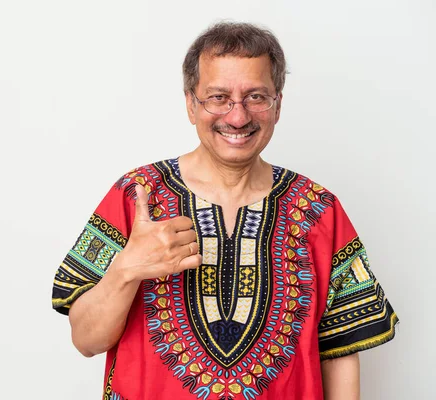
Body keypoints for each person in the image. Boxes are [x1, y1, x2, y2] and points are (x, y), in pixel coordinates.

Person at [51, 22, 398, 400]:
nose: (237, 117)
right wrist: (128, 268)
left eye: (256, 97)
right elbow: (85, 340)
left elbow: (341, 351)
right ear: (190, 103)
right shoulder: (137, 196)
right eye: (218, 97)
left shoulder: (319, 210)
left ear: (278, 105)